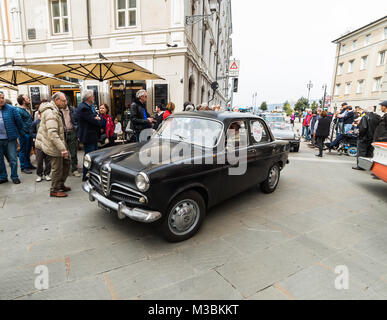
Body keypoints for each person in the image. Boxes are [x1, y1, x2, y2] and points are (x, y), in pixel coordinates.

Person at [35, 93, 71, 198]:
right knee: (57, 168)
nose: (66, 103)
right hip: (53, 145)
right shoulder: (51, 113)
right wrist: (62, 149)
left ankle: (60, 184)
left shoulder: (55, 110)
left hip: (57, 143)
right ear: (56, 100)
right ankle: (54, 190)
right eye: (64, 101)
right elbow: (53, 134)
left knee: (66, 164)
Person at [77, 90, 105, 181]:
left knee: (93, 156)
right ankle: (86, 175)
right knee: (89, 157)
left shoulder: (89, 106)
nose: (94, 97)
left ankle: (91, 174)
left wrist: (97, 118)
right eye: (93, 96)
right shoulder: (83, 108)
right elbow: (94, 121)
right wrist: (97, 119)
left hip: (92, 136)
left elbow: (97, 118)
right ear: (89, 97)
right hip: (88, 136)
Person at [0, 92, 25, 184]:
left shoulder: (12, 109)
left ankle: (14, 176)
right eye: (0, 98)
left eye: (3, 97)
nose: (1, 100)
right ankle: (3, 177)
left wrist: (17, 133)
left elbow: (19, 123)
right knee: (0, 160)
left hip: (10, 139)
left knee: (13, 158)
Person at [352, 106, 381, 171]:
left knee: (361, 152)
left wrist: (360, 135)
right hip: (373, 137)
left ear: (366, 111)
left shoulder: (365, 117)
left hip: (365, 137)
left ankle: (361, 166)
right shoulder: (377, 117)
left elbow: (363, 128)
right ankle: (368, 166)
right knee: (370, 152)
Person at [16, 94, 35, 174]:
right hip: (24, 134)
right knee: (23, 151)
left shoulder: (26, 109)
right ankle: (23, 167)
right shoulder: (19, 110)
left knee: (28, 150)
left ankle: (28, 164)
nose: (29, 99)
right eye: (27, 98)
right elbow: (18, 123)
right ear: (23, 101)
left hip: (29, 133)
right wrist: (23, 133)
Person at [30, 111, 51, 182]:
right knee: (39, 160)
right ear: (39, 114)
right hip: (39, 144)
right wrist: (39, 136)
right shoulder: (35, 123)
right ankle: (39, 175)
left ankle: (47, 174)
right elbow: (32, 132)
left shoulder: (49, 122)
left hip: (48, 144)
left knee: (48, 160)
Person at [62, 103, 79, 177]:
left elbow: (77, 120)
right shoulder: (57, 110)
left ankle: (74, 169)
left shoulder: (72, 109)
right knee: (63, 153)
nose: (63, 103)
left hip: (72, 132)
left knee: (73, 152)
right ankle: (65, 170)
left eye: (65, 101)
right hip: (62, 134)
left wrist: (77, 129)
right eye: (62, 101)